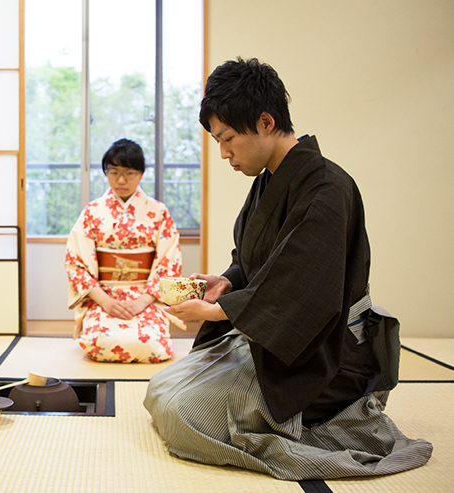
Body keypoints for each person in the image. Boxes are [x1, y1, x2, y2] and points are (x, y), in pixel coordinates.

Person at [144, 58, 432, 479]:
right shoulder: (267, 181)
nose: (223, 153)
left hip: (326, 354)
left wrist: (221, 311)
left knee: (180, 413)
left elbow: (303, 288)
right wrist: (227, 282)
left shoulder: (328, 187)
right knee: (160, 388)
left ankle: (319, 432)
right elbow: (254, 261)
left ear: (264, 121)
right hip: (273, 340)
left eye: (227, 139)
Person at [66, 138, 184, 363]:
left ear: (141, 174)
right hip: (104, 295)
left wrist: (143, 301)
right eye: (114, 172)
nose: (121, 180)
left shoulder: (159, 212)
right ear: (106, 173)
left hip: (146, 296)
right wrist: (105, 301)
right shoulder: (92, 212)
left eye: (129, 173)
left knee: (154, 345)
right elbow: (76, 263)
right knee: (99, 343)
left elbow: (169, 262)